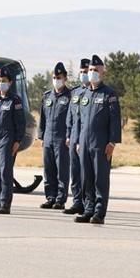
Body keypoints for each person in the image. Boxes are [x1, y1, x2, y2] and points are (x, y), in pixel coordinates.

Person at [73, 55, 121, 224]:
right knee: (86, 178)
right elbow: (79, 119)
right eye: (91, 70)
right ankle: (88, 209)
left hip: (101, 143)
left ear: (103, 73)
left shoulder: (109, 94)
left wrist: (112, 142)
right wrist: (78, 141)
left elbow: (115, 120)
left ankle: (99, 213)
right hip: (84, 142)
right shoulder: (84, 94)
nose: (92, 73)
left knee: (100, 178)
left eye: (96, 70)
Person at [0, 66, 26, 214]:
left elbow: (20, 123)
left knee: (5, 173)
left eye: (4, 81)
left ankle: (5, 204)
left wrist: (17, 141)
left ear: (10, 82)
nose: (1, 83)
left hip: (7, 139)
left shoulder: (15, 101)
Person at [38, 62, 71, 210]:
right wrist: (41, 136)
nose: (56, 80)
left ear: (65, 78)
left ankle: (60, 199)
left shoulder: (71, 97)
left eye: (59, 77)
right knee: (48, 169)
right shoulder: (47, 96)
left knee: (62, 170)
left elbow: (73, 119)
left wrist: (70, 136)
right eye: (54, 77)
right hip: (48, 138)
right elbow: (43, 118)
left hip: (62, 138)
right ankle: (50, 197)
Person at [63, 57, 90, 215]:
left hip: (86, 136)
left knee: (86, 171)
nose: (84, 75)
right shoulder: (75, 93)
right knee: (75, 171)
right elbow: (70, 117)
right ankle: (77, 201)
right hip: (73, 136)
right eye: (81, 72)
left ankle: (87, 202)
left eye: (86, 72)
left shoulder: (92, 93)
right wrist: (68, 134)